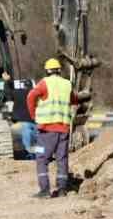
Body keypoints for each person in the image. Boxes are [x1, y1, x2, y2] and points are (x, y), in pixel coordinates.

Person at [25, 58, 85, 198]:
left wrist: (33, 115)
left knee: (41, 158)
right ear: (59, 70)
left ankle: (45, 190)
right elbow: (74, 99)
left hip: (47, 129)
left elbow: (30, 96)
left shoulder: (44, 83)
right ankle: (62, 189)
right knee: (62, 159)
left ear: (47, 71)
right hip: (63, 128)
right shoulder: (66, 84)